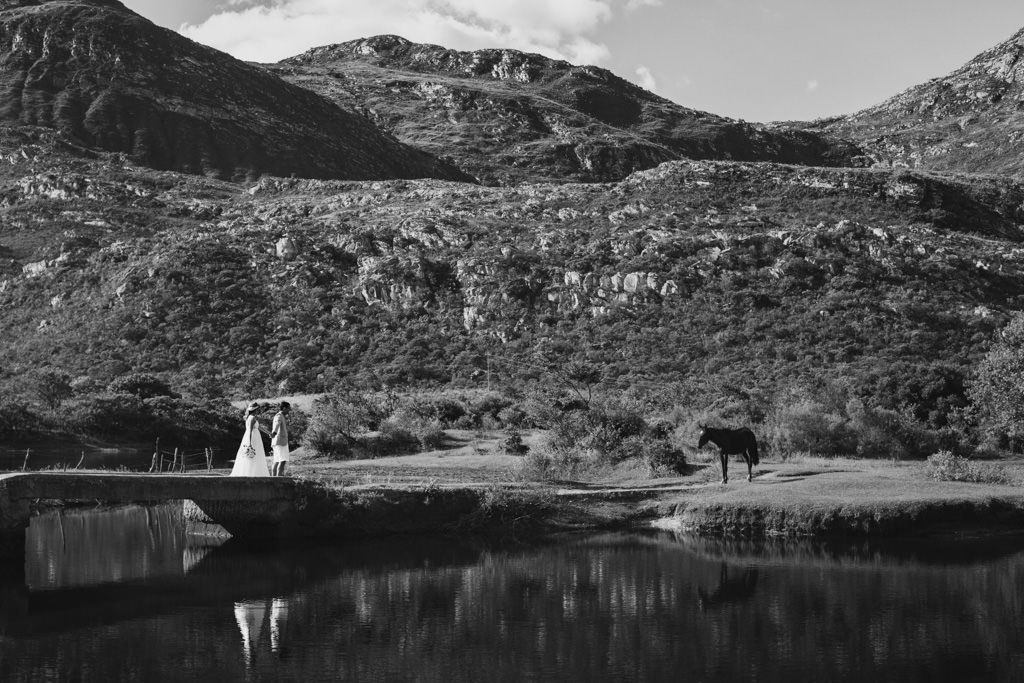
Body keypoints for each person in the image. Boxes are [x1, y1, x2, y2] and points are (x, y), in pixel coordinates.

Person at [230, 402, 271, 477]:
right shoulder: (252, 418)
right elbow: (250, 431)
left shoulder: (250, 417)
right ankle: (254, 473)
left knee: (254, 455)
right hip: (253, 437)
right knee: (254, 455)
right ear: (255, 410)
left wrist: (268, 433)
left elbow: (259, 427)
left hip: (254, 437)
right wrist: (249, 443)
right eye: (257, 409)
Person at [271, 401, 291, 476]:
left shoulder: (281, 416)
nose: (289, 410)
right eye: (288, 409)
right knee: (282, 460)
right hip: (280, 442)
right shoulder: (279, 416)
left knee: (276, 460)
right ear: (284, 408)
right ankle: (279, 479)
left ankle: (274, 479)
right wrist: (274, 433)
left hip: (278, 441)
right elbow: (277, 425)